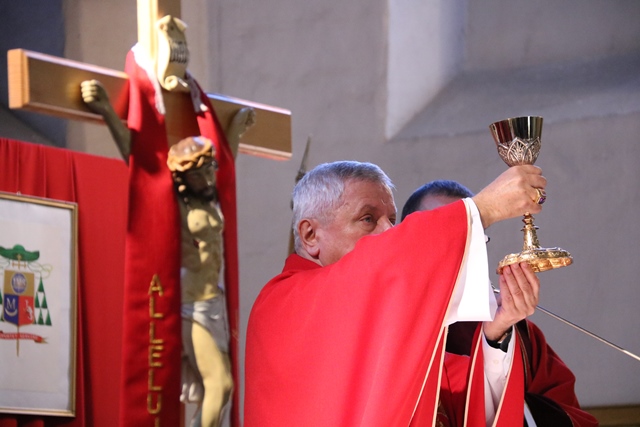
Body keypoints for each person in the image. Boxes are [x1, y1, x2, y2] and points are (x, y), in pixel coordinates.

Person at [245, 160, 548, 427]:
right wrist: (482, 209)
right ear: (310, 234)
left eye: (392, 219)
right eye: (368, 218)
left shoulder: (381, 323)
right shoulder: (283, 303)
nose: (388, 232)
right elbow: (377, 268)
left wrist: (494, 336)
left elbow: (458, 397)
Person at [80, 15, 254, 427]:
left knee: (218, 397)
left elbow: (226, 165)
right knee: (220, 385)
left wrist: (236, 130)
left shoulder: (213, 195)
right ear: (184, 176)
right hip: (190, 304)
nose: (208, 177)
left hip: (215, 302)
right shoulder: (176, 203)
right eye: (200, 172)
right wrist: (106, 111)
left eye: (210, 169)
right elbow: (138, 160)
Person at [401, 179, 599, 427]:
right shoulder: (386, 330)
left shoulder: (518, 333)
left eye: (471, 239)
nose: (458, 250)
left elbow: (573, 416)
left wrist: (496, 343)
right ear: (405, 243)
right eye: (443, 235)